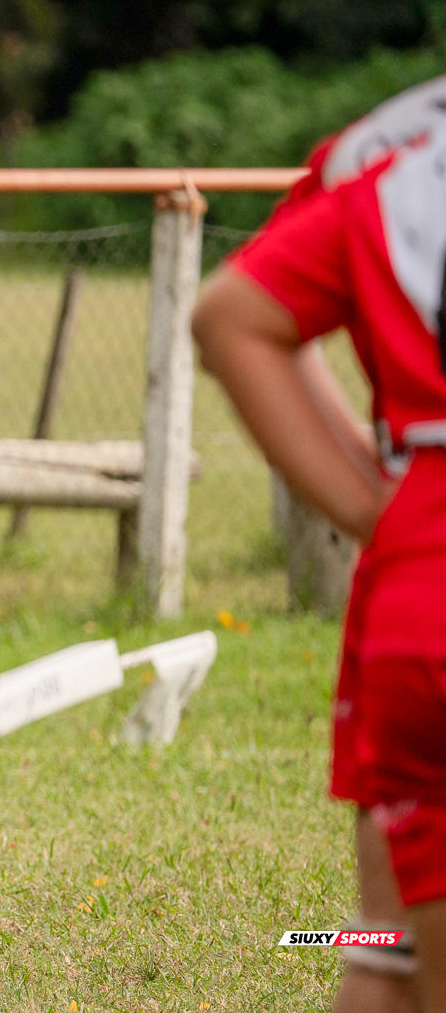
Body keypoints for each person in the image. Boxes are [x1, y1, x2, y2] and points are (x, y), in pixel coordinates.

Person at [192, 76, 446, 1011]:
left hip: (422, 584)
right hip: (416, 557)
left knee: (385, 951)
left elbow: (243, 312)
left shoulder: (391, 144)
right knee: (385, 941)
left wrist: (390, 504)